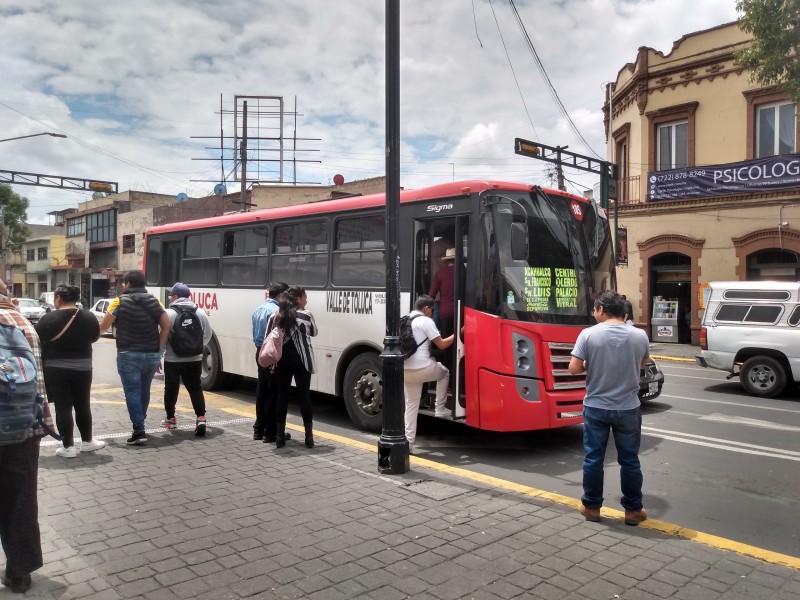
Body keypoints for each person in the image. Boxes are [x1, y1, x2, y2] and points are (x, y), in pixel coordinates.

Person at [568, 290, 652, 526]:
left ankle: (592, 507)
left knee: (594, 458)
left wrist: (588, 362)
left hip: (596, 406)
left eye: (595, 310)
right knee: (630, 460)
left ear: (601, 309)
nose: (594, 314)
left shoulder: (588, 335)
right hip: (628, 407)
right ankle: (634, 510)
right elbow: (643, 362)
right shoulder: (639, 335)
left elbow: (573, 369)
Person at [0, 280, 53, 593]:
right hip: (25, 426)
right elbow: (38, 381)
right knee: (21, 500)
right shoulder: (25, 324)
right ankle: (19, 572)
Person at [100, 270, 170, 445]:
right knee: (144, 389)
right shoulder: (156, 301)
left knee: (132, 391)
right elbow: (166, 326)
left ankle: (139, 430)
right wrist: (158, 350)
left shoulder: (119, 301)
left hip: (128, 353)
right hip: (151, 354)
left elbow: (103, 327)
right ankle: (140, 421)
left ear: (128, 284)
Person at [34, 283, 103, 458]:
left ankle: (68, 447)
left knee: (63, 406)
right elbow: (94, 337)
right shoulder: (89, 317)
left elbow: (37, 340)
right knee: (83, 404)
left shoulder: (48, 319)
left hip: (55, 369)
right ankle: (87, 442)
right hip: (83, 368)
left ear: (58, 298)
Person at [403, 294, 454, 450]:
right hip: (423, 368)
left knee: (411, 405)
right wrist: (458, 334)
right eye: (432, 309)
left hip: (404, 369)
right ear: (426, 308)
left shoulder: (404, 319)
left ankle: (408, 443)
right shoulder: (426, 321)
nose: (433, 313)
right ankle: (440, 408)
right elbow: (443, 345)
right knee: (444, 373)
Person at [162, 282, 213, 436]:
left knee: (171, 389)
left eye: (171, 295)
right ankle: (201, 418)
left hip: (172, 359)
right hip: (194, 359)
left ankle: (171, 419)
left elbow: (162, 336)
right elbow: (208, 334)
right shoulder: (200, 312)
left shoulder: (169, 313)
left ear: (176, 296)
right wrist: (195, 347)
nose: (170, 298)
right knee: (195, 388)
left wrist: (159, 355)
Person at [271, 286, 317, 449]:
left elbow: (271, 334)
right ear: (298, 298)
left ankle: (279, 437)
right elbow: (314, 332)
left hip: (282, 360)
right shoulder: (306, 314)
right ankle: (309, 438)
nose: (306, 300)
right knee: (304, 396)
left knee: (282, 396)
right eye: (305, 297)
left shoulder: (278, 314)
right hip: (303, 360)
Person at [251, 282, 290, 443]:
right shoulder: (276, 312)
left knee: (261, 392)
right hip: (271, 354)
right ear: (280, 295)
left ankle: (258, 430)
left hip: (260, 351)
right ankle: (270, 432)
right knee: (273, 393)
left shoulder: (258, 309)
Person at [428, 247, 456, 338]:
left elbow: (431, 295)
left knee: (446, 340)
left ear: (446, 261)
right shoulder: (465, 272)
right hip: (462, 312)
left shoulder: (439, 274)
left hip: (445, 312)